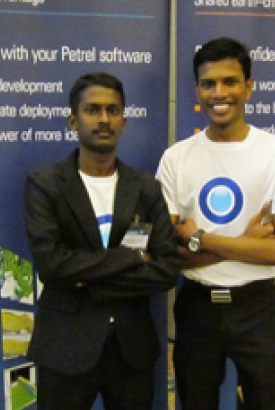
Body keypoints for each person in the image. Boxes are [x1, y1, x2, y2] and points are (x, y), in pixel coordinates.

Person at [156, 37, 275, 410]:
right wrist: (246, 242)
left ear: (248, 87)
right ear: (197, 90)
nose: (219, 93)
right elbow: (168, 253)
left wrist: (200, 238)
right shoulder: (177, 158)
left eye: (230, 82)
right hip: (196, 308)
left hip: (256, 306)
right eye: (209, 84)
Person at [24, 72, 180, 410]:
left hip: (132, 350)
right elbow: (51, 265)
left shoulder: (146, 188)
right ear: (73, 121)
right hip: (65, 347)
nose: (104, 119)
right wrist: (128, 259)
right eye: (93, 110)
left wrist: (87, 280)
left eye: (113, 111)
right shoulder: (45, 186)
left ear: (124, 121)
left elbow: (167, 269)